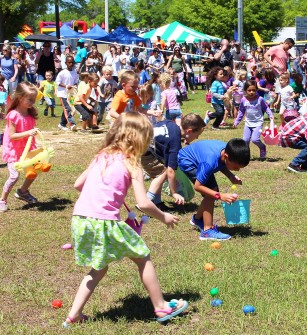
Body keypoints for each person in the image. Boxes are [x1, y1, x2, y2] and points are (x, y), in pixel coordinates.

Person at [64, 112, 187, 327]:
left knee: (98, 267)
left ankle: (73, 315)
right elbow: (144, 203)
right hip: (104, 222)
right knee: (142, 257)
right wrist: (164, 216)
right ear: (140, 139)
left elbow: (77, 185)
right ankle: (161, 307)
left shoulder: (101, 155)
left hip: (80, 219)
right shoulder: (132, 163)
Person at [179, 138, 251, 241]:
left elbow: (222, 163)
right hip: (188, 161)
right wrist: (220, 195)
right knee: (211, 192)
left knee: (212, 190)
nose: (237, 170)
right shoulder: (209, 162)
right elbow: (198, 186)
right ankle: (207, 231)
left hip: (200, 157)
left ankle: (198, 219)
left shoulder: (227, 151)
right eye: (235, 167)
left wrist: (230, 176)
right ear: (226, 156)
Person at [141, 113, 205, 211]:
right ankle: (147, 201)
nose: (196, 138)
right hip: (146, 153)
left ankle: (157, 203)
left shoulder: (170, 123)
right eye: (197, 135)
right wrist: (174, 192)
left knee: (161, 172)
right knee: (163, 173)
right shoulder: (175, 144)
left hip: (143, 145)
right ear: (189, 131)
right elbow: (171, 170)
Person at [0, 82, 41, 212]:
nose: (32, 102)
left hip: (27, 148)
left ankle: (23, 191)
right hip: (14, 150)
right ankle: (2, 200)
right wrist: (28, 133)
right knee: (14, 176)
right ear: (20, 98)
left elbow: (30, 132)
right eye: (30, 99)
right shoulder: (13, 115)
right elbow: (12, 136)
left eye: (34, 99)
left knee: (35, 170)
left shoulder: (30, 114)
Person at [233, 80, 275, 160]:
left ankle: (262, 147)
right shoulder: (243, 100)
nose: (251, 92)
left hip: (258, 122)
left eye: (254, 90)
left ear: (256, 90)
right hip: (248, 123)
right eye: (249, 90)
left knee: (255, 139)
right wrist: (237, 121)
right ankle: (246, 155)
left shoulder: (260, 99)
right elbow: (241, 111)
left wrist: (270, 115)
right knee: (245, 140)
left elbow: (266, 107)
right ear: (245, 90)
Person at [56, 55, 78, 131]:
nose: (70, 64)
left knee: (71, 108)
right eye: (69, 62)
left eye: (72, 62)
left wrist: (74, 86)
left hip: (71, 94)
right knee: (67, 108)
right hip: (62, 93)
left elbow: (75, 82)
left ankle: (62, 123)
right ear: (66, 63)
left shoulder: (75, 73)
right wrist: (66, 86)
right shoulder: (62, 73)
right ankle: (72, 123)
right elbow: (58, 82)